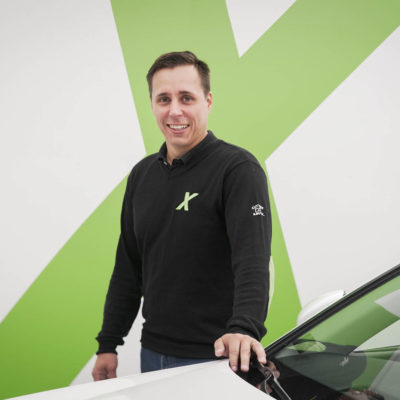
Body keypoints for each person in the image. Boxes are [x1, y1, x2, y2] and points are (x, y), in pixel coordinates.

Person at [92, 51, 272, 380]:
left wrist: (244, 328)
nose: (175, 110)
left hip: (218, 358)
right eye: (164, 99)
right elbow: (129, 268)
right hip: (153, 354)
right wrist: (108, 344)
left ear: (208, 101)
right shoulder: (142, 175)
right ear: (152, 104)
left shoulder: (237, 170)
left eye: (186, 98)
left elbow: (253, 261)